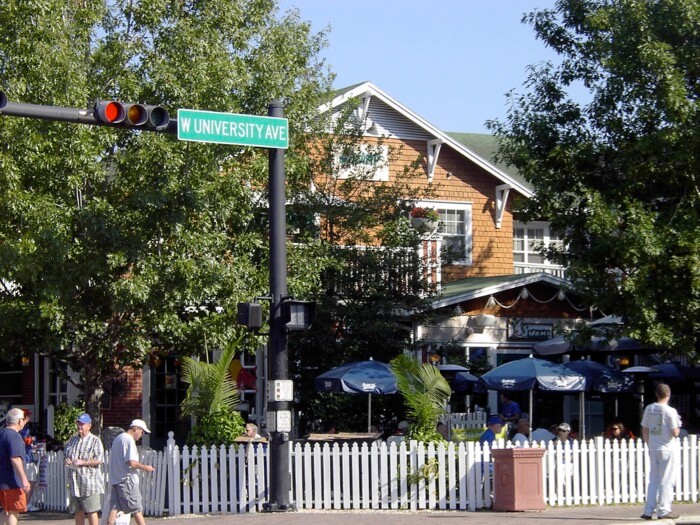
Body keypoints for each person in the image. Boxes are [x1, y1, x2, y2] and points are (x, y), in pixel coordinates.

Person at [640, 383, 681, 521]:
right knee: (667, 480)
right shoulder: (670, 411)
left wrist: (649, 443)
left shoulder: (649, 409)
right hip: (668, 448)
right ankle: (663, 510)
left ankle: (648, 510)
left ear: (656, 394)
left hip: (653, 448)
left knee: (654, 480)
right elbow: (675, 432)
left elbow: (644, 428)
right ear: (668, 394)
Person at [106, 419, 155, 525]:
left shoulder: (118, 438)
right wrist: (146, 467)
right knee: (137, 510)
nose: (141, 435)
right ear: (135, 428)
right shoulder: (129, 440)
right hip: (127, 481)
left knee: (113, 512)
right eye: (142, 432)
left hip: (116, 481)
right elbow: (131, 462)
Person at [64, 413, 104, 525]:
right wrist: (67, 460)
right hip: (74, 482)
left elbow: (99, 460)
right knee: (77, 511)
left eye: (82, 424)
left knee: (91, 511)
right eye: (78, 424)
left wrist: (83, 462)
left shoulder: (95, 441)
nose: (79, 427)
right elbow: (66, 455)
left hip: (89, 483)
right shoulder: (72, 440)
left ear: (89, 426)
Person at [0, 408, 31, 525]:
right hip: (12, 482)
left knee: (5, 510)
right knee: (13, 511)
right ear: (19, 421)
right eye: (23, 419)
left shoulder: (1, 433)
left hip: (2, 481)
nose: (24, 422)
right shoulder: (14, 436)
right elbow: (15, 459)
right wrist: (24, 480)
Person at [18, 410, 38, 512]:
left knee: (28, 481)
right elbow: (26, 440)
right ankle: (26, 504)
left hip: (27, 456)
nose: (28, 418)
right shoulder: (23, 429)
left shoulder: (23, 428)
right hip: (26, 459)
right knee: (31, 480)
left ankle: (24, 503)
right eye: (27, 416)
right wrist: (32, 440)